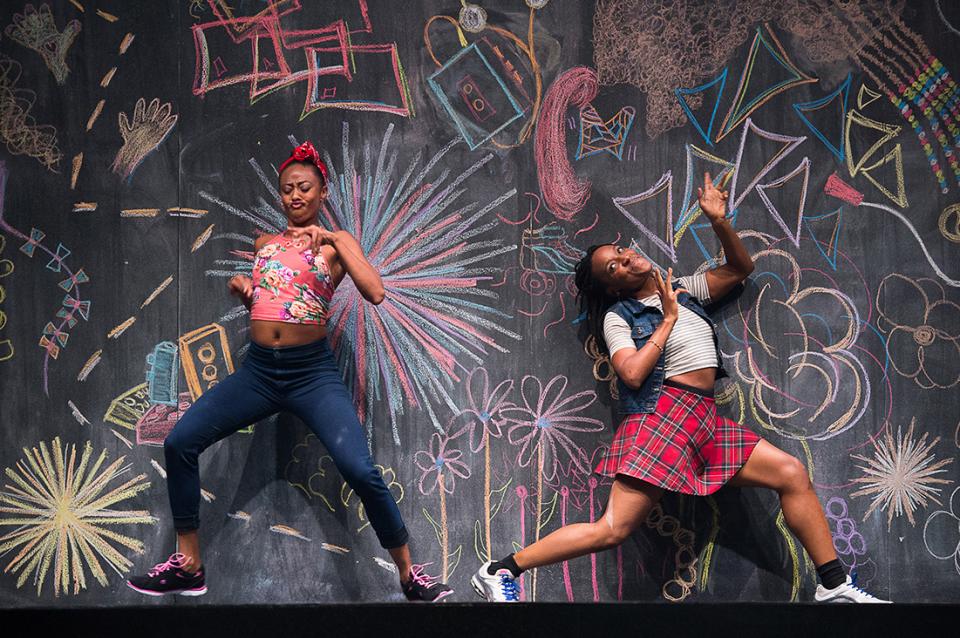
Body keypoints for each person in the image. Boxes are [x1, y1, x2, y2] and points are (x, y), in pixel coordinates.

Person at [471, 173, 888, 604]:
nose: (625, 259)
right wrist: (666, 320)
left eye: (620, 251)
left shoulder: (685, 290)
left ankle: (833, 584)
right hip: (662, 418)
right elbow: (631, 374)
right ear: (613, 287)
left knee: (791, 473)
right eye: (613, 267)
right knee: (612, 529)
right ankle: (502, 569)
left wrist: (719, 221)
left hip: (704, 418)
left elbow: (740, 269)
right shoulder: (621, 317)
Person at [127, 141, 453, 602]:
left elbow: (375, 292)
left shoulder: (337, 245)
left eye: (304, 188)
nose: (295, 196)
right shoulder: (265, 245)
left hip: (311, 374)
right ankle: (189, 566)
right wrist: (247, 292)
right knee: (180, 441)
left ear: (322, 193)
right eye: (287, 189)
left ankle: (408, 575)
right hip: (260, 373)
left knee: (359, 470)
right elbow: (277, 301)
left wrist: (336, 239)